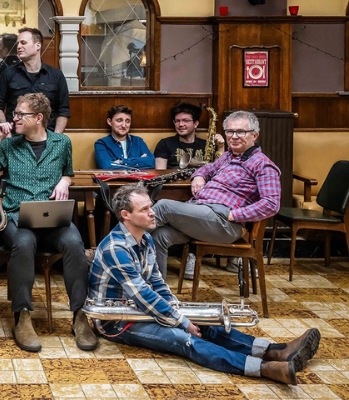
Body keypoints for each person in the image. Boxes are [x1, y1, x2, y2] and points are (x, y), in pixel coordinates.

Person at [88, 183, 320, 386]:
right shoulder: (116, 248)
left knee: (207, 324)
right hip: (118, 321)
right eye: (145, 209)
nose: (152, 213)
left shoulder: (146, 238)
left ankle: (274, 351)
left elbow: (156, 282)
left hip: (139, 310)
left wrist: (178, 310)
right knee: (184, 339)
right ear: (125, 215)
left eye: (151, 206)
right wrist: (182, 322)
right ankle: (264, 369)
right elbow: (143, 296)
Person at [0, 92, 97, 353]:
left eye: (21, 114)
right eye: (15, 114)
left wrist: (65, 181)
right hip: (16, 216)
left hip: (53, 216)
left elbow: (68, 173)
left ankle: (80, 315)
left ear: (39, 118)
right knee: (23, 242)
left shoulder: (61, 142)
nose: (15, 118)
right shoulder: (10, 145)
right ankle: (22, 316)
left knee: (75, 242)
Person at [151, 110, 281, 279]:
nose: (233, 136)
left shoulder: (262, 165)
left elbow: (271, 203)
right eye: (229, 131)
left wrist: (235, 215)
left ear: (254, 135)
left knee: (163, 206)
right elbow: (206, 168)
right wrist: (198, 176)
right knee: (160, 235)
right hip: (202, 213)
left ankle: (117, 249)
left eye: (240, 132)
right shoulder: (228, 156)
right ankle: (155, 287)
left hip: (224, 222)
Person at [0, 27, 70, 133]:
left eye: (23, 43)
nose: (19, 46)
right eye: (18, 43)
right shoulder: (8, 74)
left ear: (38, 45)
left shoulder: (56, 75)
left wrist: (55, 138)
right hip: (15, 138)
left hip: (47, 137)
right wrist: (8, 135)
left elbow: (63, 110)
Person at [155, 102, 224, 170]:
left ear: (196, 124)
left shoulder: (207, 145)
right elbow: (160, 173)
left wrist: (221, 147)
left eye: (186, 120)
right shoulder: (164, 144)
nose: (181, 124)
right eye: (177, 121)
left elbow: (220, 170)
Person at [94, 105, 154, 170]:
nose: (124, 125)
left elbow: (152, 162)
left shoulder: (138, 141)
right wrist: (139, 161)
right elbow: (106, 166)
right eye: (119, 120)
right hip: (115, 179)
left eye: (127, 121)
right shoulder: (101, 143)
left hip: (138, 179)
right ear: (109, 122)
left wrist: (121, 161)